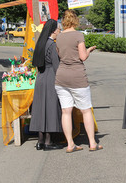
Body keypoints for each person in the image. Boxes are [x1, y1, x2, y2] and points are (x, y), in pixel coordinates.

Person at [55, 9, 102, 153]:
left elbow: (60, 55)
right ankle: (92, 143)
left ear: (63, 21)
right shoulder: (78, 35)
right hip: (77, 76)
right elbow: (82, 57)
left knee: (66, 111)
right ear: (75, 20)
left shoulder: (59, 37)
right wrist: (88, 50)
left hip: (61, 77)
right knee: (86, 110)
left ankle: (70, 144)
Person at [30, 19, 63, 151]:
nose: (59, 31)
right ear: (54, 31)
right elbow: (57, 66)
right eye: (59, 29)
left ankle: (40, 141)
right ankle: (48, 142)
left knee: (40, 109)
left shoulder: (41, 43)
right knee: (50, 109)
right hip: (50, 77)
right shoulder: (52, 45)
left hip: (41, 77)